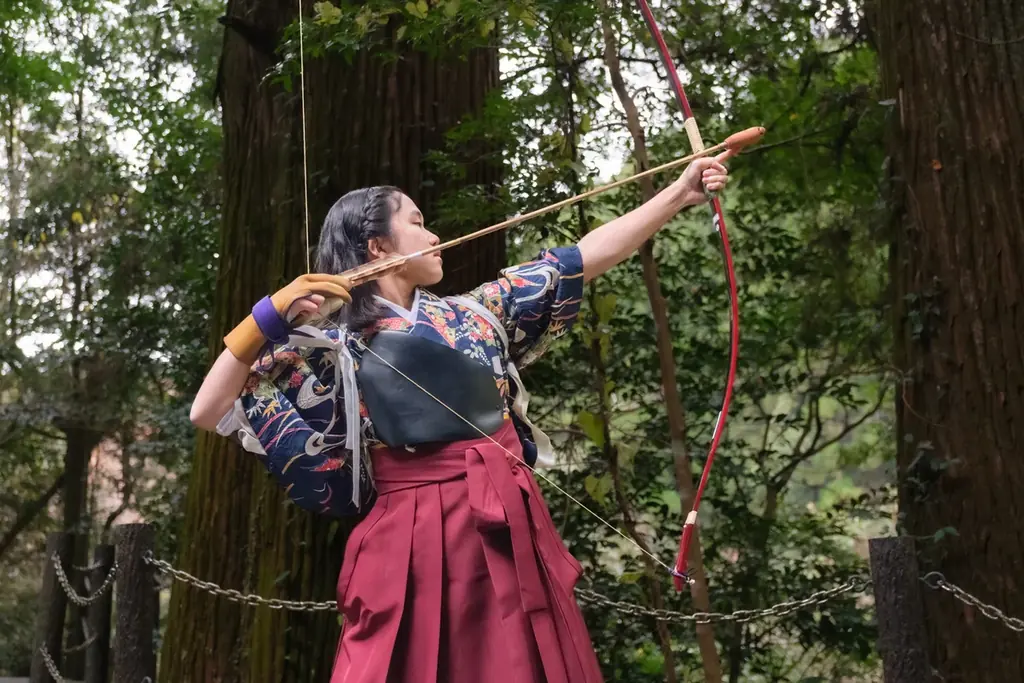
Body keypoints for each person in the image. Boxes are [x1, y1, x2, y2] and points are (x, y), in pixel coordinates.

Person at [189, 155, 729, 683]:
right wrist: (265, 319)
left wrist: (679, 193)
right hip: (407, 535)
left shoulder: (476, 313)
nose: (433, 236)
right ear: (378, 247)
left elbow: (581, 258)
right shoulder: (326, 351)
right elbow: (207, 409)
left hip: (503, 512)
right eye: (418, 224)